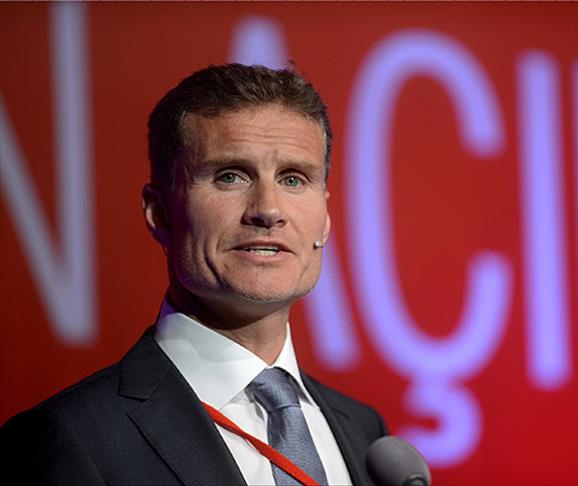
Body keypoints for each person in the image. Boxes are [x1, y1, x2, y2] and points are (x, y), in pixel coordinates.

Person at [0, 63, 387, 485]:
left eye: (293, 179)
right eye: (230, 176)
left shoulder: (366, 434)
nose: (268, 210)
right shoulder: (69, 438)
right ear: (160, 214)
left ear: (324, 220)